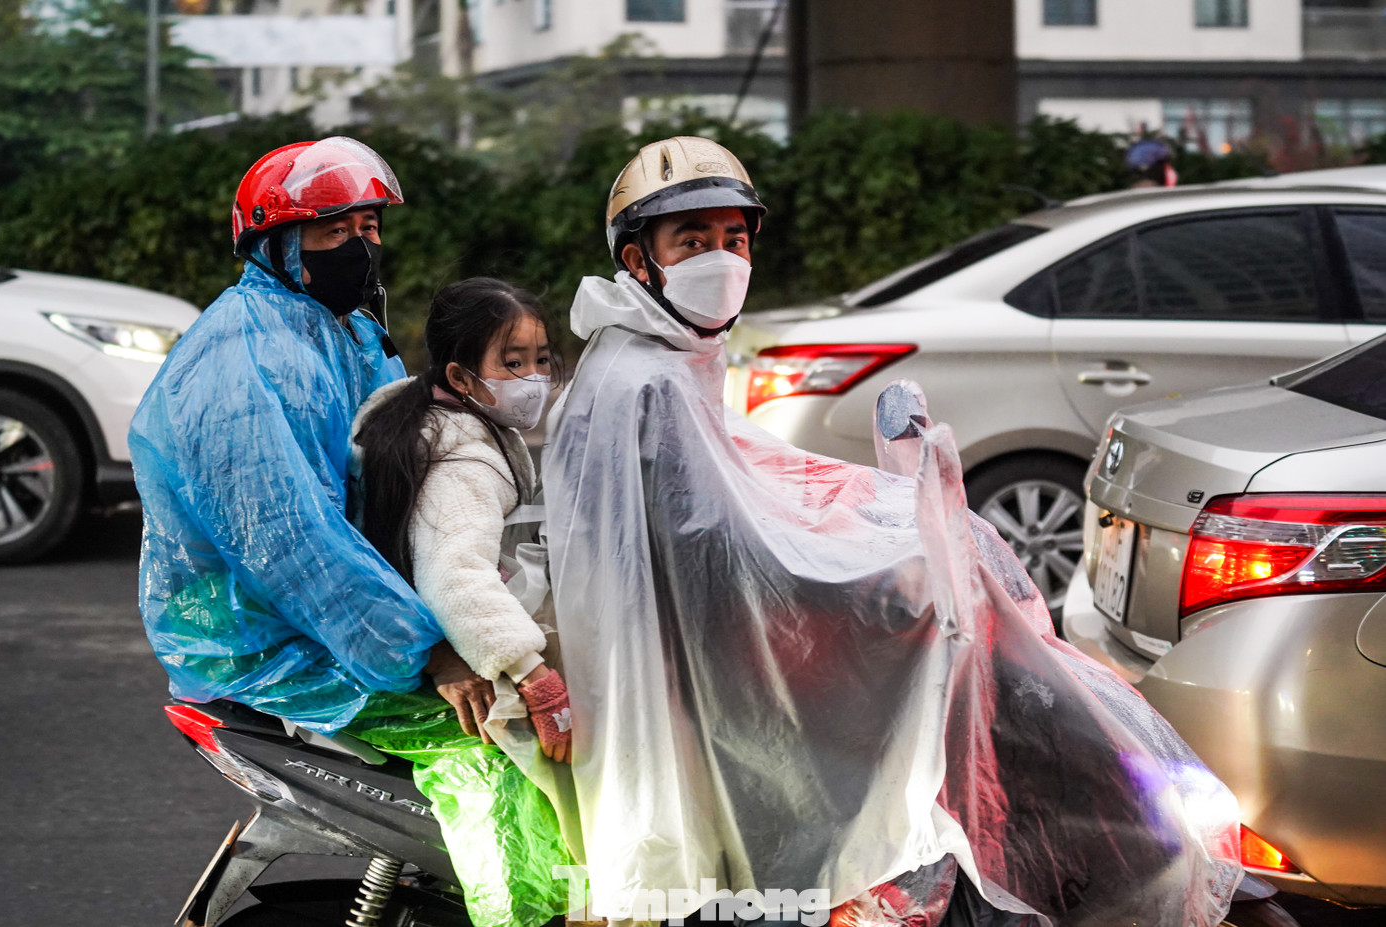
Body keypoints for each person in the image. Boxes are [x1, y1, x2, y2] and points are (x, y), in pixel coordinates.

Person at [540, 137, 1241, 926]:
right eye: (692, 241)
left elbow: (744, 472)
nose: (720, 258)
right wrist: (884, 579)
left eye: (733, 239)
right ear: (639, 260)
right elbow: (719, 547)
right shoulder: (645, 377)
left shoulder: (662, 350)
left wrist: (875, 507)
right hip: (712, 665)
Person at [130, 138, 569, 927]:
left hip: (342, 620)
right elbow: (295, 547)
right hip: (270, 641)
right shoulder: (245, 361)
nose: (361, 246)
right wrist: (429, 651)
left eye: (370, 227)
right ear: (278, 244)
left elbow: (403, 462)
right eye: (336, 231)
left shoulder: (339, 327)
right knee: (492, 748)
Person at [351, 277, 572, 764]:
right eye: (512, 363)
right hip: (453, 651)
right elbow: (456, 575)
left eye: (540, 359)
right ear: (461, 377)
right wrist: (535, 678)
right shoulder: (462, 462)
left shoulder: (440, 418)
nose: (533, 378)